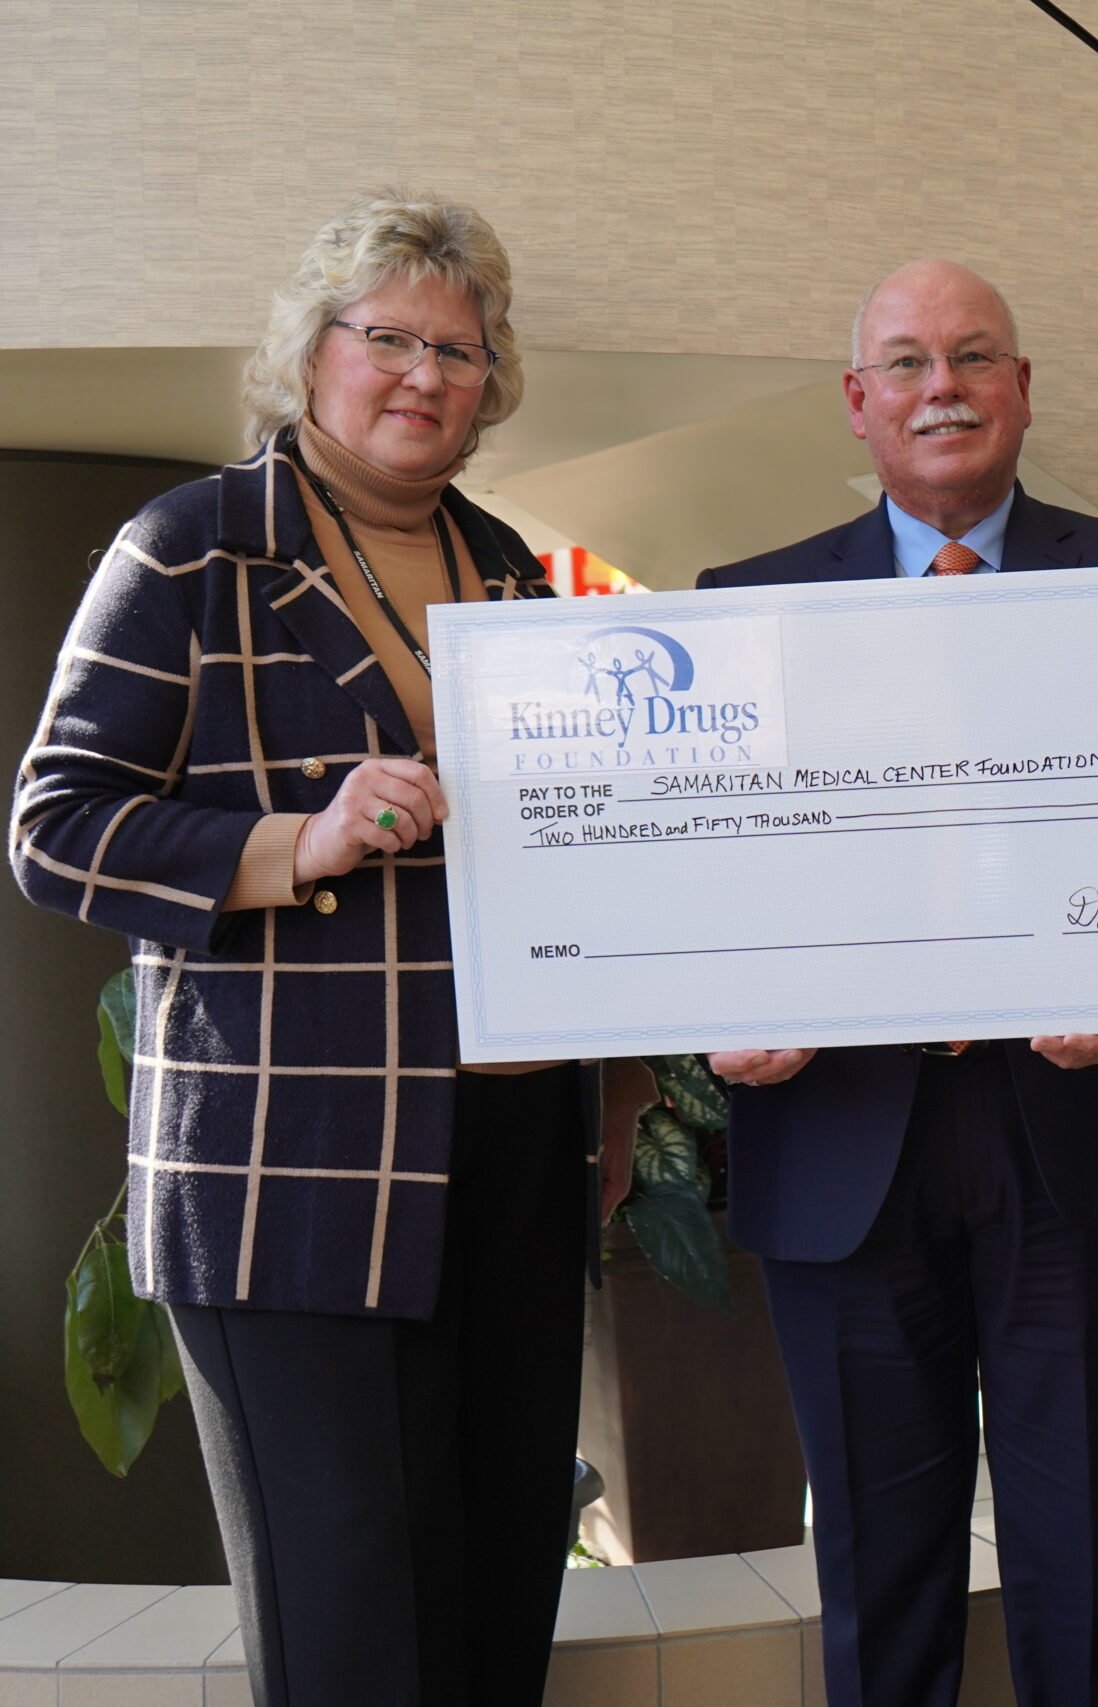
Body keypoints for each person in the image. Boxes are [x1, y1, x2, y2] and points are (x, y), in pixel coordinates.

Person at [10, 191, 646, 1706]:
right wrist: (298, 838)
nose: (427, 374)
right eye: (390, 339)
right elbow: (52, 823)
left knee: (499, 1594)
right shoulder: (190, 547)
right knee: (354, 1619)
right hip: (288, 1172)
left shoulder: (508, 565)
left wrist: (615, 1087)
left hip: (505, 1152)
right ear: (312, 352)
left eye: (463, 349)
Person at [697, 259, 1098, 1707]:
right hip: (841, 1141)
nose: (940, 386)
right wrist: (717, 1013)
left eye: (973, 356)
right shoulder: (738, 613)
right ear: (858, 401)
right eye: (906, 362)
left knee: (1086, 1572)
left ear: (1020, 389)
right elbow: (703, 885)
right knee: (879, 1590)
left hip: (1083, 1128)